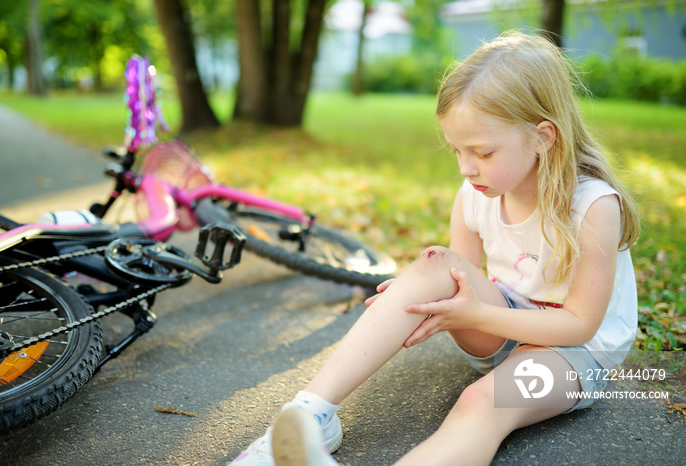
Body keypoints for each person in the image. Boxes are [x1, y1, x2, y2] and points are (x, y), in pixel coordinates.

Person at [228, 30, 640, 466]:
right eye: (457, 151)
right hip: (502, 328)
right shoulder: (475, 195)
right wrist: (420, 296)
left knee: (479, 404)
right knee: (433, 264)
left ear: (542, 136)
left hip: (574, 356)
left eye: (482, 152)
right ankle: (309, 414)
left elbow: (579, 326)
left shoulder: (592, 206)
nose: (466, 168)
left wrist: (474, 314)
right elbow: (457, 276)